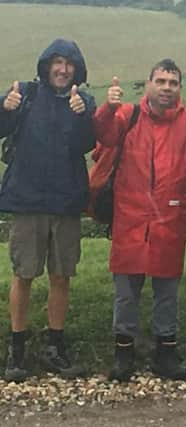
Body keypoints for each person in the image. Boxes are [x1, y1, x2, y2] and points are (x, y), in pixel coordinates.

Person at [93, 59, 186, 381]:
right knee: (126, 292)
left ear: (180, 88)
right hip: (130, 216)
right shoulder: (127, 115)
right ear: (148, 84)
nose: (166, 88)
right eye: (161, 81)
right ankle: (124, 354)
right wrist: (108, 107)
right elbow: (105, 135)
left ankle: (166, 353)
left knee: (167, 292)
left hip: (169, 217)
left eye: (173, 82)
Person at [0, 39, 96, 382]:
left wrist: (81, 117)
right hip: (27, 200)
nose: (63, 69)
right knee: (23, 274)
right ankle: (17, 349)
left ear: (77, 70)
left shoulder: (84, 102)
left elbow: (86, 145)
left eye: (69, 64)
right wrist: (6, 109)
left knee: (61, 276)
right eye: (57, 62)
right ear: (45, 66)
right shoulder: (23, 94)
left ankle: (55, 346)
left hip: (66, 201)